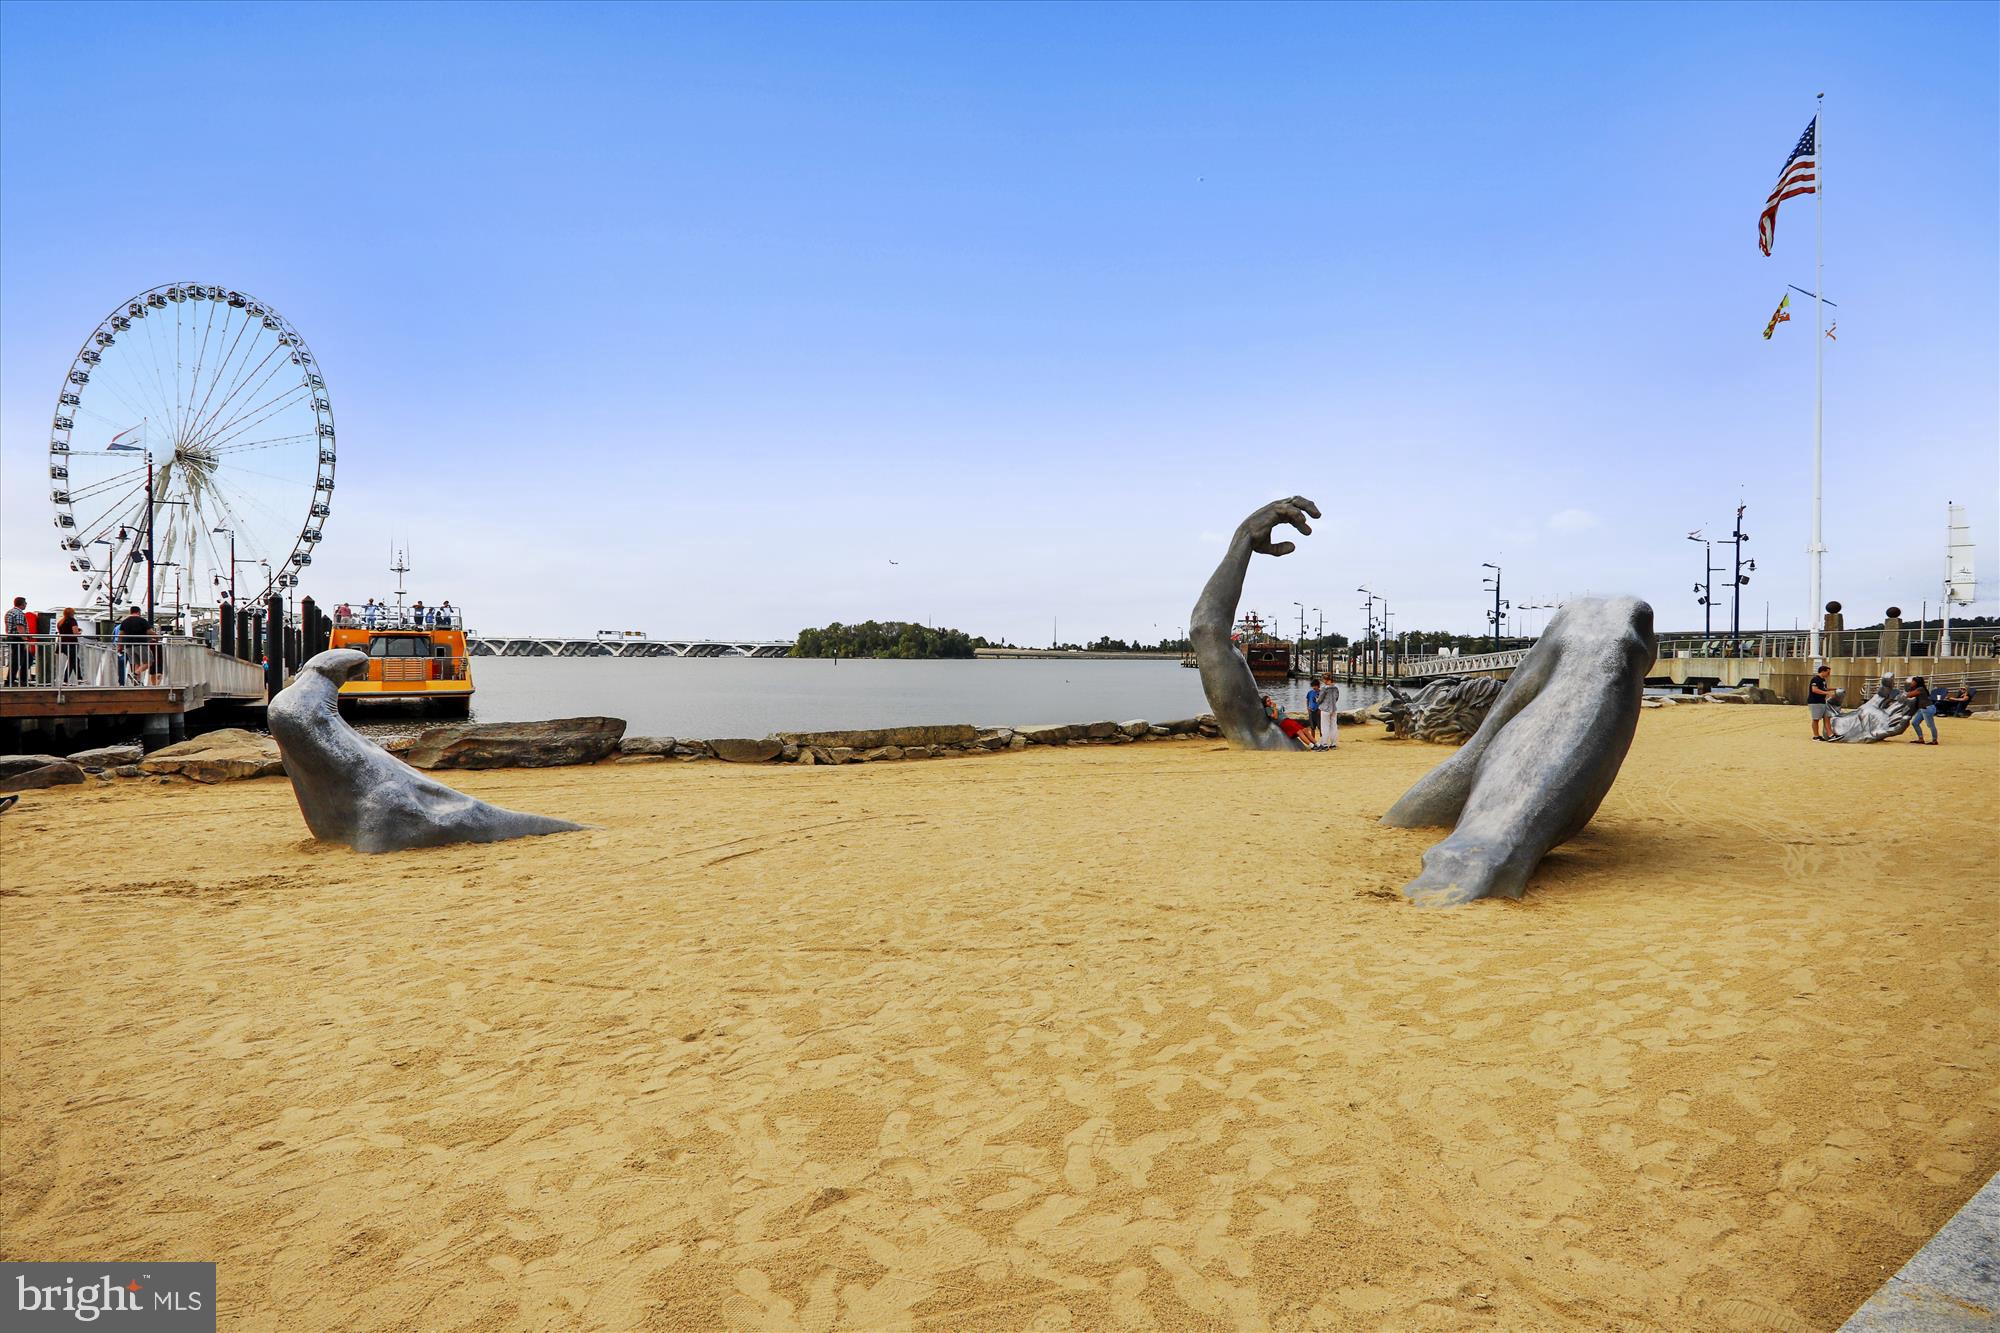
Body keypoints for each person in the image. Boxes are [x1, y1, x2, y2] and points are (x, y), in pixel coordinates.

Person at [115, 605, 153, 686]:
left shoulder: (125, 622)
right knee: (149, 662)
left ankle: (137, 683)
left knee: (136, 663)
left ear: (130, 612)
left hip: (128, 646)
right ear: (138, 612)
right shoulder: (142, 620)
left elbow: (121, 635)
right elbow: (150, 632)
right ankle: (135, 674)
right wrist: (157, 636)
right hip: (141, 644)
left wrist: (119, 646)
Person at [3, 596, 29, 687]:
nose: (26, 604)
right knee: (17, 660)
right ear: (22, 604)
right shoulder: (19, 613)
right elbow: (20, 627)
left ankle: (22, 680)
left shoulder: (9, 612)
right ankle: (10, 680)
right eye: (25, 603)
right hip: (18, 639)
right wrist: (25, 639)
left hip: (11, 637)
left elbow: (7, 628)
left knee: (25, 659)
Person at [1907, 675, 1938, 745]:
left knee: (1930, 725)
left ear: (1917, 682)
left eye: (1913, 681)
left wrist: (1909, 688)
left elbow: (1909, 695)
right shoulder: (1919, 688)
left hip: (1927, 708)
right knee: (1915, 723)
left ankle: (1934, 740)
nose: (1911, 682)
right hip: (1923, 709)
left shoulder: (1920, 689)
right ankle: (1921, 739)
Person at [1807, 665, 1836, 741]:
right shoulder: (1815, 679)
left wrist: (1834, 689)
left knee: (1827, 717)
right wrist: (1827, 693)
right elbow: (1814, 690)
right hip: (1815, 702)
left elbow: (1824, 688)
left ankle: (1831, 735)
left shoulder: (1823, 680)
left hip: (1822, 702)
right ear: (1823, 671)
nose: (1828, 674)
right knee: (1816, 719)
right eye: (1828, 672)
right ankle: (1816, 736)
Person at [56, 607, 83, 683]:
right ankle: (70, 679)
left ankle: (77, 678)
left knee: (74, 660)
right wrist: (79, 632)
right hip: (71, 644)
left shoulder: (60, 622)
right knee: (73, 660)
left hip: (63, 644)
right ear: (71, 614)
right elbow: (75, 633)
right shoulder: (72, 621)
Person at [1319, 675, 1340, 749]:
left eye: (1323, 679)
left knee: (1324, 726)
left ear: (1326, 680)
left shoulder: (1324, 688)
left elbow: (1320, 699)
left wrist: (1317, 700)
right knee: (1333, 726)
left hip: (1325, 709)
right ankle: (1333, 744)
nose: (1322, 681)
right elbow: (1337, 698)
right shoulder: (1336, 688)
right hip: (1334, 709)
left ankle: (1324, 743)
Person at [1305, 678, 1323, 747]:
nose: (1314, 687)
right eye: (1312, 686)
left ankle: (1322, 741)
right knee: (1312, 727)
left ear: (1318, 686)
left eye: (1315, 686)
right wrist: (1307, 707)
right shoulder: (1310, 692)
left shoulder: (1321, 693)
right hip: (1311, 711)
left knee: (1320, 727)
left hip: (1318, 712)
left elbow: (1323, 702)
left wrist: (1320, 709)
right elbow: (1307, 700)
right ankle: (1313, 741)